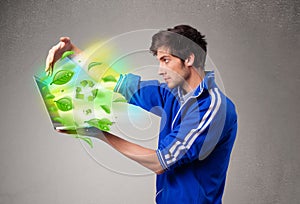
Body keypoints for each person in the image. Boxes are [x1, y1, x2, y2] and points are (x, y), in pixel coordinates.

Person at [45, 25, 238, 204]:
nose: (161, 70)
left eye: (166, 60)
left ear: (189, 59)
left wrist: (99, 133)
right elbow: (119, 82)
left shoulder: (212, 107)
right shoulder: (172, 95)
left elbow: (160, 161)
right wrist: (71, 51)